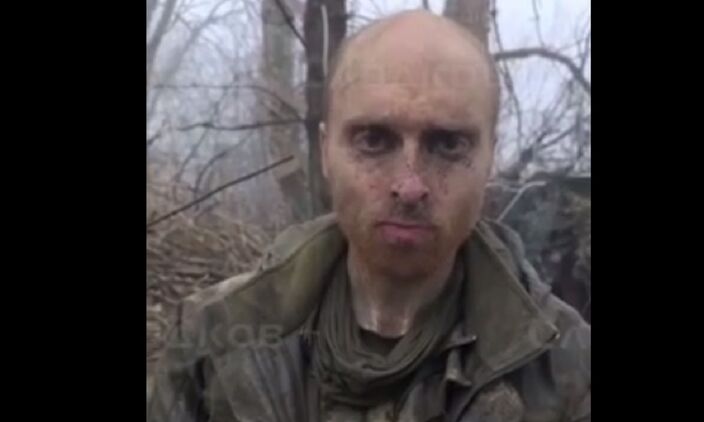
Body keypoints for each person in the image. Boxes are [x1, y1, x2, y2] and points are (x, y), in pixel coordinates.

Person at [148, 9, 590, 422]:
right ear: (326, 152)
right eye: (374, 141)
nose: (410, 186)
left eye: (447, 145)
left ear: (490, 158)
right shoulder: (216, 339)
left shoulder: (566, 371)